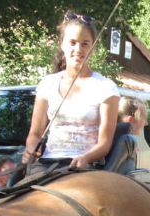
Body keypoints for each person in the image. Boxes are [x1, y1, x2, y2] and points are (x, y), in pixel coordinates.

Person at [22, 11, 119, 174]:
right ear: (62, 44)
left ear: (93, 47)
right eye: (72, 42)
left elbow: (105, 143)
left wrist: (86, 158)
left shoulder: (106, 87)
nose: (78, 49)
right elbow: (36, 133)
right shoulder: (48, 83)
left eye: (85, 44)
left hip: (86, 166)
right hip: (48, 164)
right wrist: (31, 149)